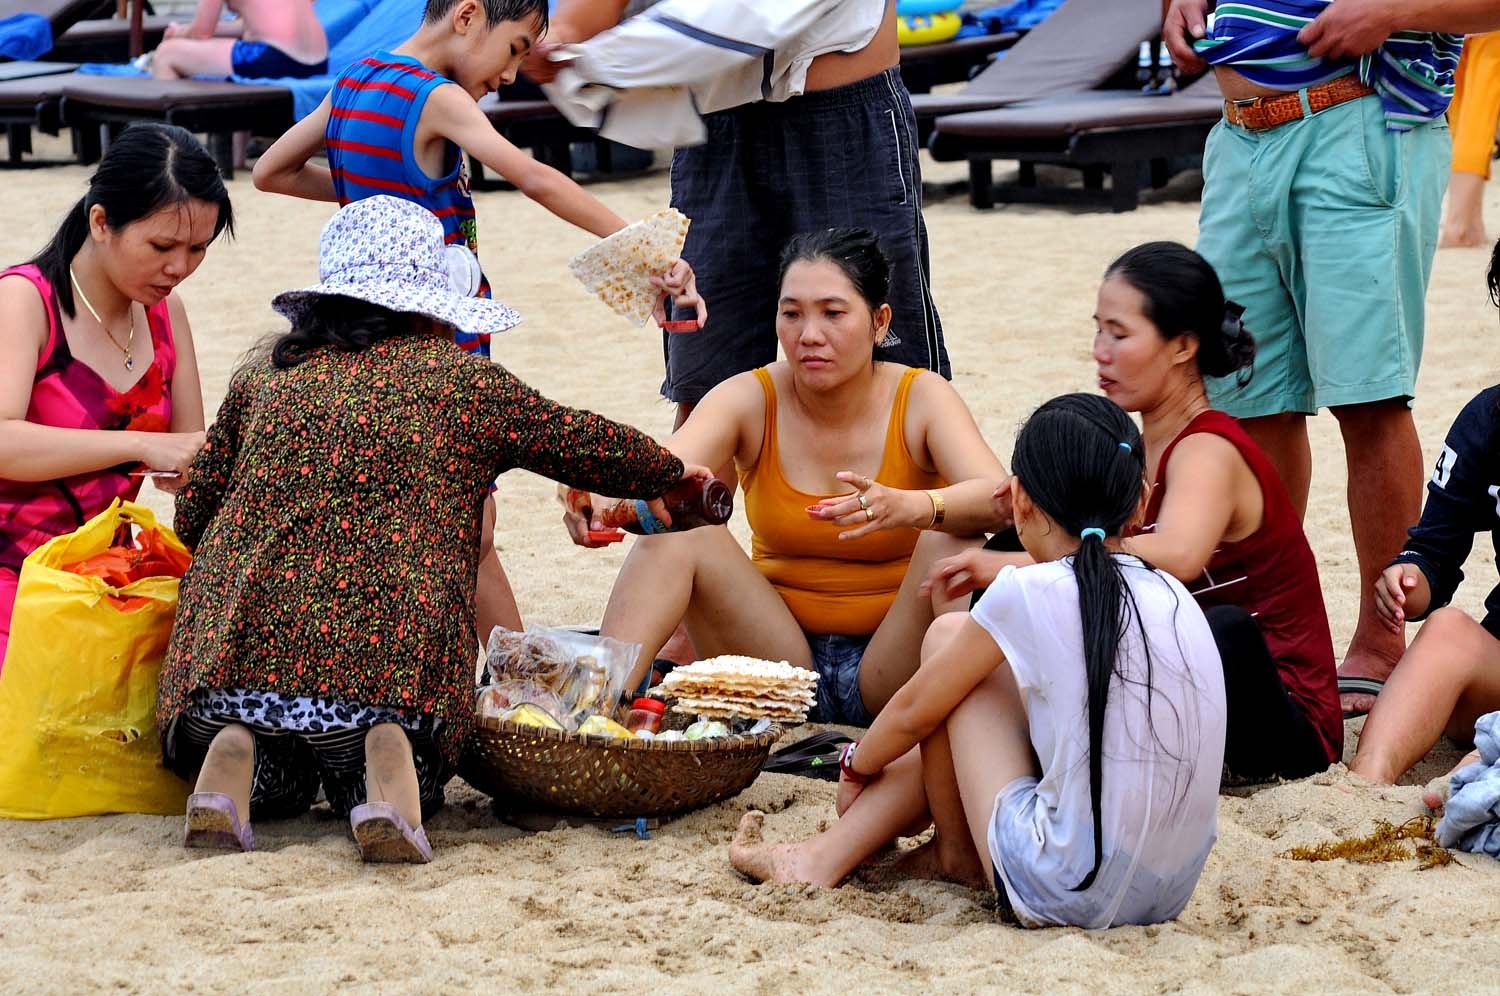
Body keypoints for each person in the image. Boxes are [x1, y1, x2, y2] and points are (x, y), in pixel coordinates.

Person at [157, 196, 706, 862]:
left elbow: (193, 514)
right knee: (396, 750)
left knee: (278, 783)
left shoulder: (263, 378)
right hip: (390, 670)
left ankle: (235, 749)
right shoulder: (465, 385)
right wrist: (670, 472)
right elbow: (583, 440)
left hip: (231, 665)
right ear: (430, 304)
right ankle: (388, 758)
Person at [252, 0, 704, 647]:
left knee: (453, 519)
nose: (513, 73)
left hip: (357, 326)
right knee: (472, 520)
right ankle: (516, 690)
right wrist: (648, 250)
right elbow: (535, 177)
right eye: (516, 48)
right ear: (467, 16)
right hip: (439, 329)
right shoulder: (435, 97)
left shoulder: (351, 83)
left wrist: (378, 196)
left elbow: (272, 172)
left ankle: (513, 680)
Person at [729, 394, 1227, 930]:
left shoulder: (1031, 588)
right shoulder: (1175, 595)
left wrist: (855, 764)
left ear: (1020, 502)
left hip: (1058, 887)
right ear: (1142, 503)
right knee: (973, 679)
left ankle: (940, 854)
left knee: (948, 640)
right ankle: (828, 855)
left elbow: (916, 710)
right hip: (1169, 893)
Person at [1164, 0, 1500, 718]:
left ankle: (1381, 643)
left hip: (1360, 124)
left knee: (1368, 397)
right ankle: (1286, 636)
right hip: (1236, 139)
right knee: (1248, 405)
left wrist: (1394, 11)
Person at [926, 243, 1341, 783]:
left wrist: (1026, 571)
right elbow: (1022, 498)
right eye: (1099, 330)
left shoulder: (1207, 448)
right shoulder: (1131, 441)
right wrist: (912, 507)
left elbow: (1179, 554)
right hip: (1175, 682)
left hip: (1279, 718)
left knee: (1221, 628)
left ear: (1183, 347)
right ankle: (994, 717)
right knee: (1010, 540)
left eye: (1120, 335)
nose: (1101, 351)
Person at [565, 228, 1006, 721]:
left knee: (953, 541)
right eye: (791, 313)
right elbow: (662, 468)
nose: (809, 335)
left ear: (879, 322)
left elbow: (1005, 500)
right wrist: (599, 495)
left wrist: (914, 507)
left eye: (833, 313)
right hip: (777, 667)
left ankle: (961, 733)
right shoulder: (751, 396)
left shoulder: (921, 397)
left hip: (895, 666)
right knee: (679, 537)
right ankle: (590, 717)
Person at [525, 0, 949, 439]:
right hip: (714, 124)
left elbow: (754, 13)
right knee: (706, 381)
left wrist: (592, 60)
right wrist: (562, 36)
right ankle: (679, 503)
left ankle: (913, 505)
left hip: (839, 106)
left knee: (882, 374)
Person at [0, 123, 232, 666]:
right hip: (15, 575)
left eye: (198, 248)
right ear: (100, 221)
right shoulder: (24, 300)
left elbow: (186, 456)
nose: (179, 267)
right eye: (161, 245)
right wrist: (141, 448)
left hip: (107, 574)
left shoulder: (166, 314)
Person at [1349, 240, 1500, 789]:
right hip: (1496, 668)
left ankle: (1486, 762)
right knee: (1445, 630)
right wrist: (1406, 580)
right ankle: (1366, 782)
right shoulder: (1488, 420)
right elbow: (1433, 551)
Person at [151, 0, 329, 81]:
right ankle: (237, 157)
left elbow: (201, 32)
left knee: (167, 53)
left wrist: (178, 34)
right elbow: (253, 26)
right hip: (319, 60)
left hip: (275, 57)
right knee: (244, 46)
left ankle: (171, 146)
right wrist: (183, 31)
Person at [1440, 33, 1500, 249]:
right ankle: (1458, 227)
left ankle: (1472, 225)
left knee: (1460, 121)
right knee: (1477, 122)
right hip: (1491, 21)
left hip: (1456, 21)